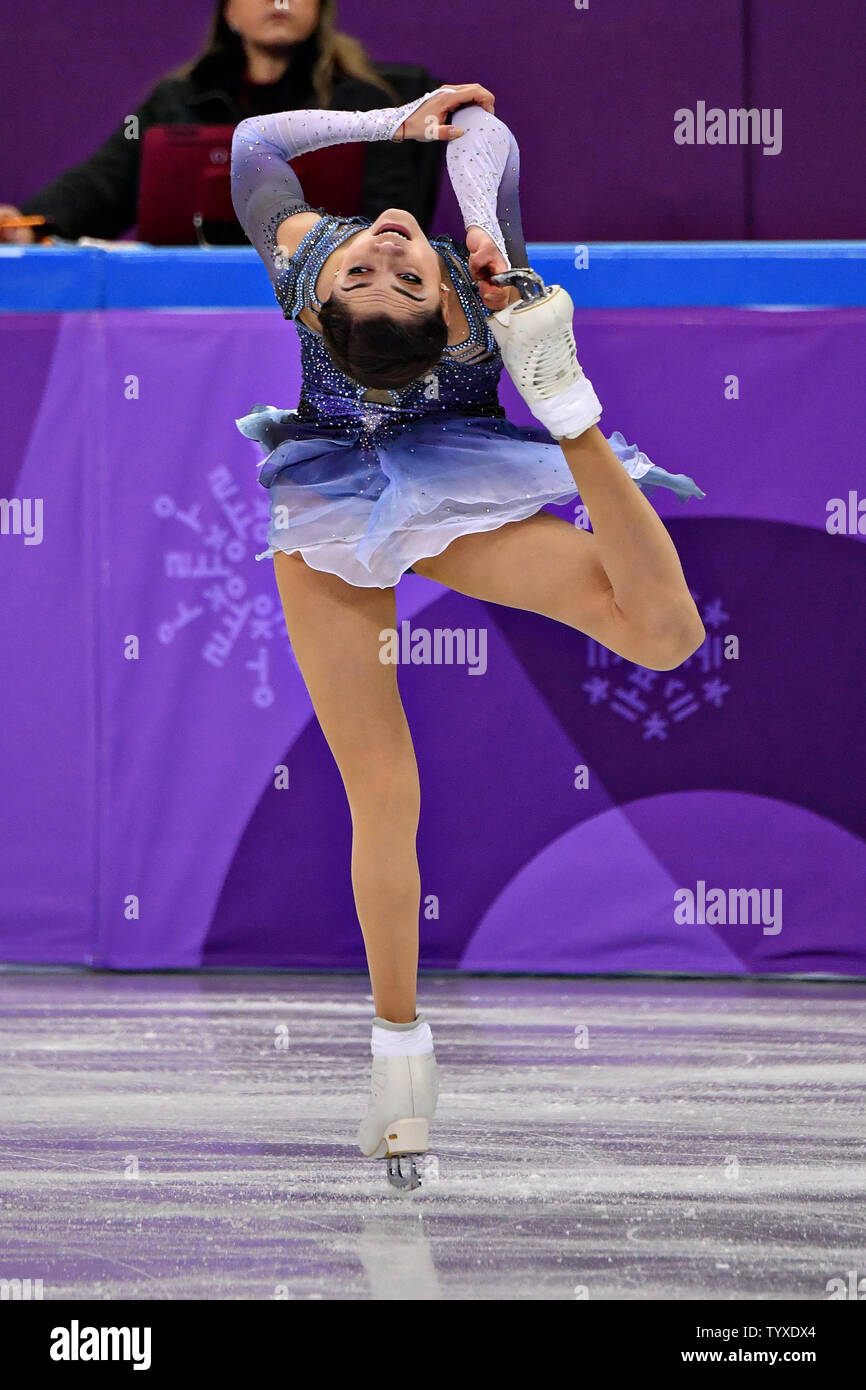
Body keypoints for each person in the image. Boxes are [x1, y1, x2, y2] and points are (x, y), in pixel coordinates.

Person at [230, 82, 707, 1186]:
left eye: (388, 266)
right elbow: (489, 138)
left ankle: (565, 403)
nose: (392, 245)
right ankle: (399, 1060)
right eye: (392, 272)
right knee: (382, 791)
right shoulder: (427, 282)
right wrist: (447, 177)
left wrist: (405, 139)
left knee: (665, 636)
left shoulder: (318, 254)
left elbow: (263, 143)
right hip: (333, 490)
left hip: (459, 469)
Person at [0, 0, 425, 244]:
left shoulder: (362, 104)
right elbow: (106, 182)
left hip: (323, 301)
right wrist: (29, 222)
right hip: (190, 293)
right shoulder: (178, 98)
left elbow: (389, 217)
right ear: (229, 13)